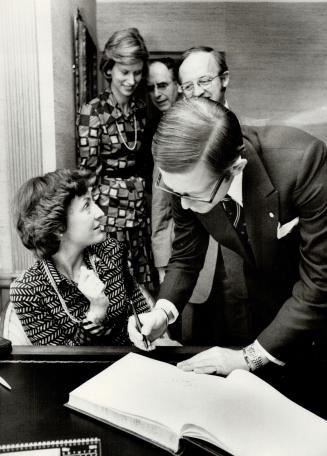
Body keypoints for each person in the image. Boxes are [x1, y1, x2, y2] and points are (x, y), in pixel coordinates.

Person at [128, 97, 327, 377]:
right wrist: (161, 313)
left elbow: (319, 284)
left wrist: (249, 357)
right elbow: (186, 256)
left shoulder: (304, 160)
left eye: (192, 195)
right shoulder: (186, 179)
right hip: (263, 306)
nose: (183, 206)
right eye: (175, 192)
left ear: (235, 169)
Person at [10, 169, 151, 346]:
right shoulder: (28, 291)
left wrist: (150, 327)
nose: (100, 212)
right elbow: (60, 366)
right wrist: (96, 313)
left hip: (134, 365)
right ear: (58, 227)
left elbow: (141, 312)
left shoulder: (111, 252)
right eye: (86, 206)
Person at [77, 27, 156, 290]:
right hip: (109, 215)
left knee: (144, 285)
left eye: (137, 72)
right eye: (125, 72)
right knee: (116, 286)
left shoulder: (141, 110)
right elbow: (88, 176)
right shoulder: (92, 113)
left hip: (139, 211)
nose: (132, 80)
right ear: (109, 68)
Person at [144, 57, 179, 283]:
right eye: (151, 88)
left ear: (178, 84)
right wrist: (162, 259)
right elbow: (161, 201)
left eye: (163, 85)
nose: (156, 94)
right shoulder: (159, 130)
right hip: (181, 246)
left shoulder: (200, 119)